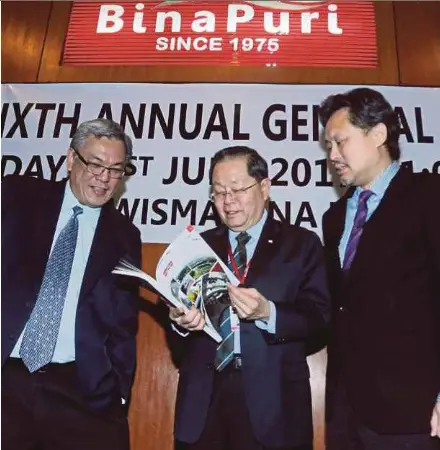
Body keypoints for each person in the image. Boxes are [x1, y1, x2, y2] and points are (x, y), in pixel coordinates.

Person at [169, 146, 330, 450]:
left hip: (274, 404)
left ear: (265, 187)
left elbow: (320, 318)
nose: (228, 202)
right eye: (218, 192)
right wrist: (180, 324)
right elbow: (178, 342)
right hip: (203, 400)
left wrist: (269, 312)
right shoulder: (197, 246)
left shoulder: (301, 244)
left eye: (238, 189)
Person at [1, 118, 142, 450]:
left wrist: (119, 393)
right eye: (95, 164)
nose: (104, 178)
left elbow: (123, 324)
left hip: (80, 390)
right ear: (70, 159)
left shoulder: (125, 236)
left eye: (116, 169)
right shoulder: (16, 196)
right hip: (7, 377)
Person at [319, 87, 440, 450]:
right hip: (346, 413)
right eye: (328, 146)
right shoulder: (334, 217)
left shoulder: (429, 196)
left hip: (413, 412)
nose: (333, 155)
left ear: (378, 135)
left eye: (341, 142)